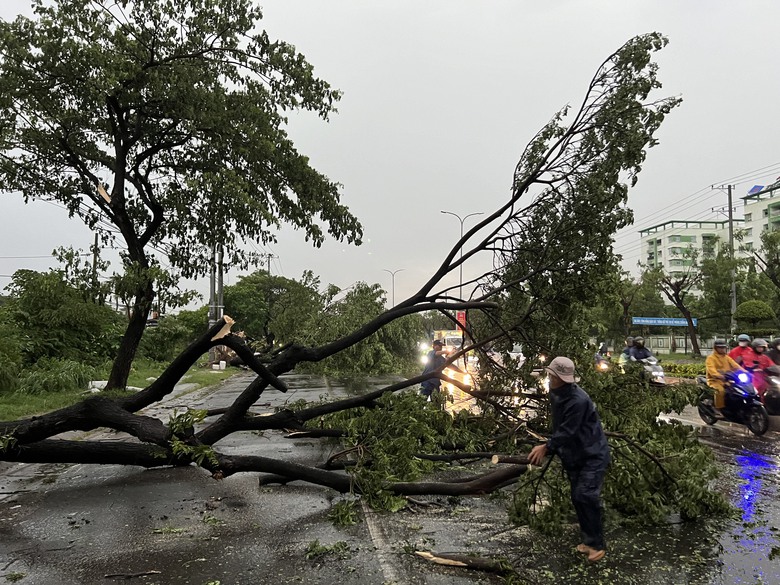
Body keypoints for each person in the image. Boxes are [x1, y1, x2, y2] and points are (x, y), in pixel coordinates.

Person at [528, 356, 610, 563]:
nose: (550, 378)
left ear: (561, 378)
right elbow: (559, 424)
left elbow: (568, 430)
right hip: (574, 454)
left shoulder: (578, 400)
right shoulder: (555, 393)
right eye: (550, 375)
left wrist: (547, 446)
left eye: (553, 376)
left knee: (586, 495)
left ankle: (598, 545)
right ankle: (588, 540)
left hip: (592, 454)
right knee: (577, 497)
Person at [705, 339, 744, 409]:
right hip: (714, 380)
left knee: (737, 390)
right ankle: (718, 408)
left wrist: (746, 372)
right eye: (720, 347)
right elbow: (711, 370)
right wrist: (718, 376)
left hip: (727, 380)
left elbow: (736, 365)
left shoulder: (727, 357)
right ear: (716, 348)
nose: (722, 349)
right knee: (720, 391)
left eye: (723, 347)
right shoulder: (710, 358)